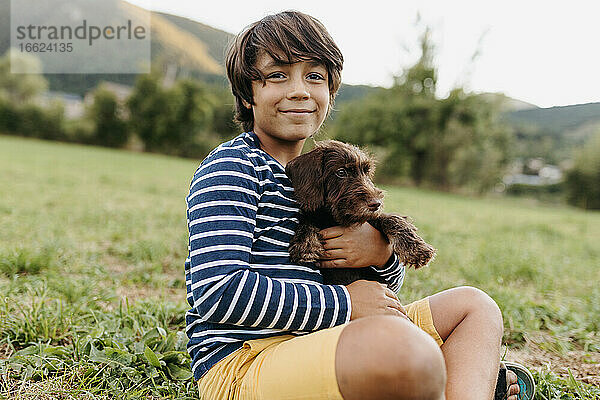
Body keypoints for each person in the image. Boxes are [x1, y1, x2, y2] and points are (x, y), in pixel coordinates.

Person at [184, 10, 523, 400]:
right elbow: (218, 292)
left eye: (315, 76)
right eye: (278, 75)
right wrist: (345, 305)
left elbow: (377, 295)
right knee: (397, 346)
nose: (299, 90)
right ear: (247, 94)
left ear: (331, 93)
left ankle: (454, 385)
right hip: (247, 363)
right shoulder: (232, 167)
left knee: (474, 307)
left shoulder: (324, 173)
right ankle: (455, 377)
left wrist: (379, 254)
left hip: (331, 340)